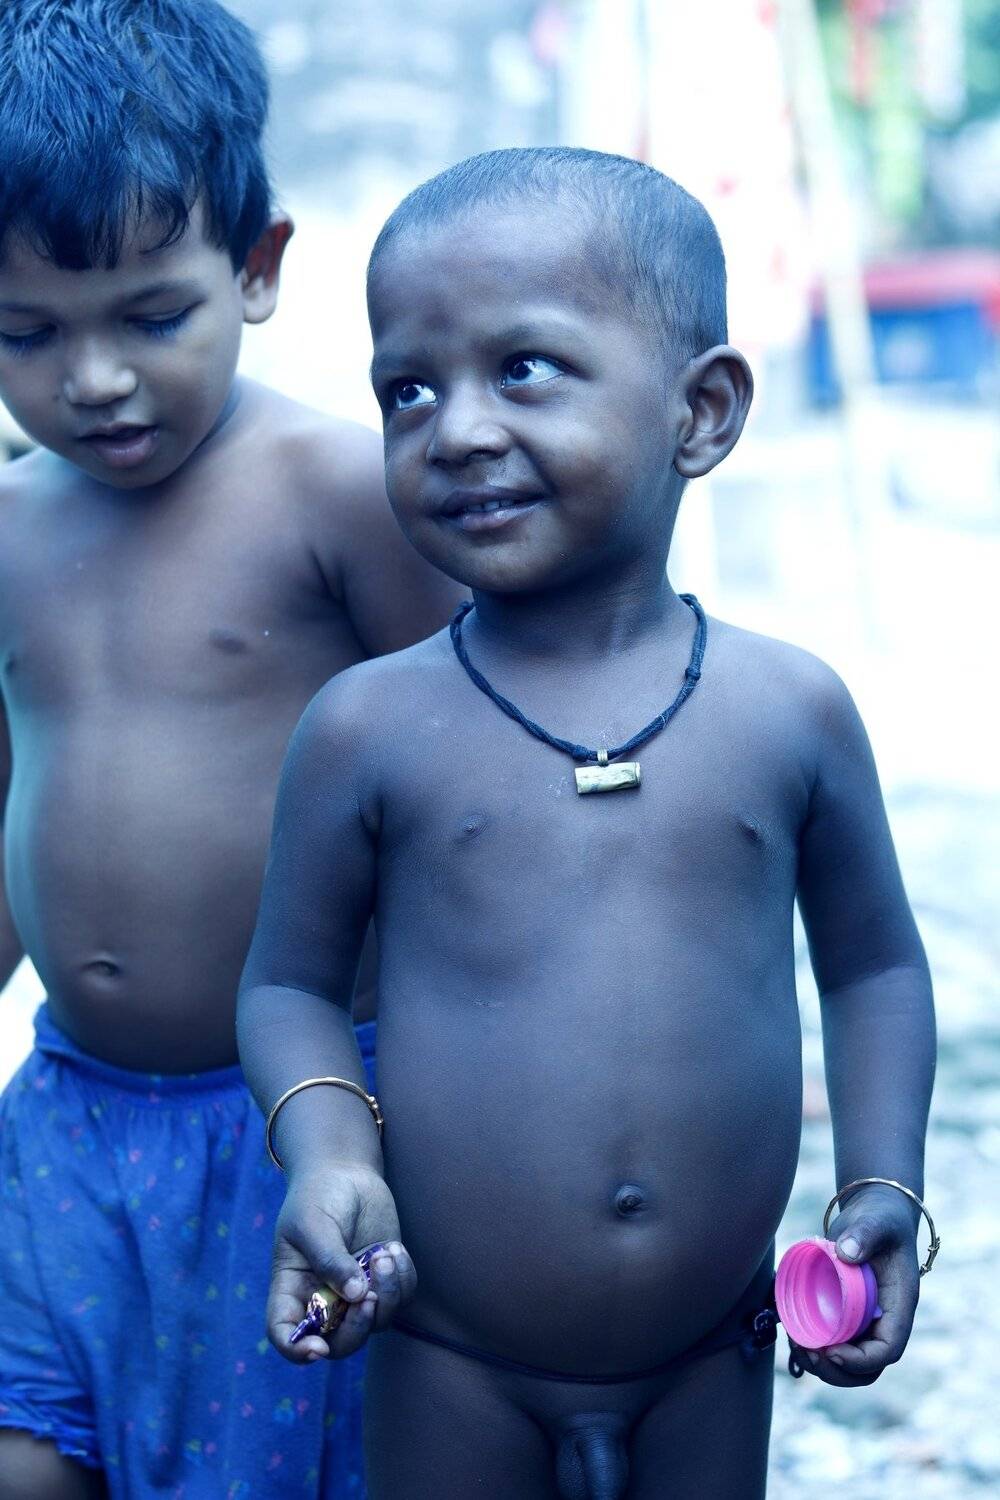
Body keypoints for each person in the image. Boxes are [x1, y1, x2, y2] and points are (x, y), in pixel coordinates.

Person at [237, 147, 937, 1500]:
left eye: (525, 369)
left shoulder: (788, 712)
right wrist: (327, 1153)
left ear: (702, 412)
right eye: (408, 389)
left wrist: (885, 1184)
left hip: (712, 1354)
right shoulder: (369, 728)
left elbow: (875, 970)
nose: (455, 430)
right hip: (448, 1351)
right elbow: (288, 987)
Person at [0, 3, 460, 1497]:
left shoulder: (336, 495)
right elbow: (17, 795)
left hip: (301, 1122)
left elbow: (473, 778)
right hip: (66, 1114)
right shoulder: (10, 527)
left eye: (151, 317)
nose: (94, 381)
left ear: (256, 269)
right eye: (26, 333)